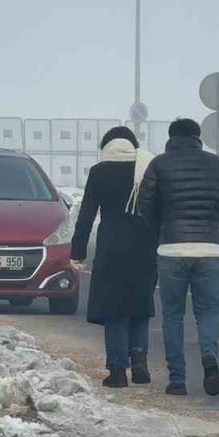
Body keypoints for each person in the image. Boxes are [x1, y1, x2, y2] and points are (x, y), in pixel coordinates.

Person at [137, 118, 219, 396]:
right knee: (207, 311)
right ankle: (209, 357)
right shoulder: (215, 163)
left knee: (173, 316)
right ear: (198, 137)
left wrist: (162, 228)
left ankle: (177, 380)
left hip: (172, 249)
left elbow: (144, 204)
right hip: (208, 249)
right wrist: (213, 225)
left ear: (171, 138)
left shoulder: (159, 164)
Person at [70, 126, 159, 388]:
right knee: (140, 304)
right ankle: (140, 360)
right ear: (132, 145)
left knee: (114, 308)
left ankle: (118, 369)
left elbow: (86, 214)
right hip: (145, 245)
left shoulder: (100, 172)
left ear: (106, 146)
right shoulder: (147, 169)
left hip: (112, 248)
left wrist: (78, 251)